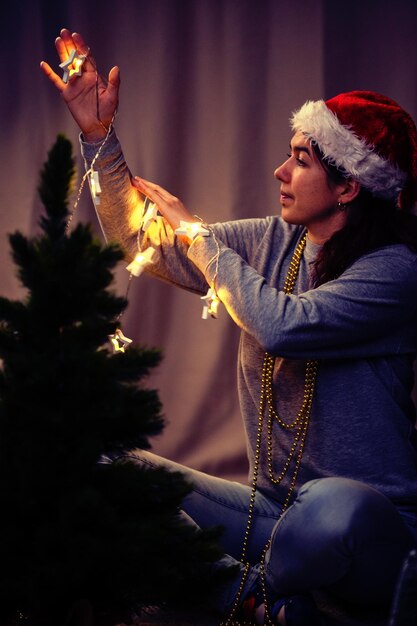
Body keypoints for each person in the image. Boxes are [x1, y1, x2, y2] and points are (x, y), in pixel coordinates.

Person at [41, 29, 417, 625]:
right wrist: (98, 138)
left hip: (371, 532)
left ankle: (227, 585)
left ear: (349, 186)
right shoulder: (273, 242)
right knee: (94, 458)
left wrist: (198, 234)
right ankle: (252, 602)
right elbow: (143, 240)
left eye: (300, 159)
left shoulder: (397, 272)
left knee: (332, 511)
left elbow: (283, 326)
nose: (279, 171)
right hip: (267, 516)